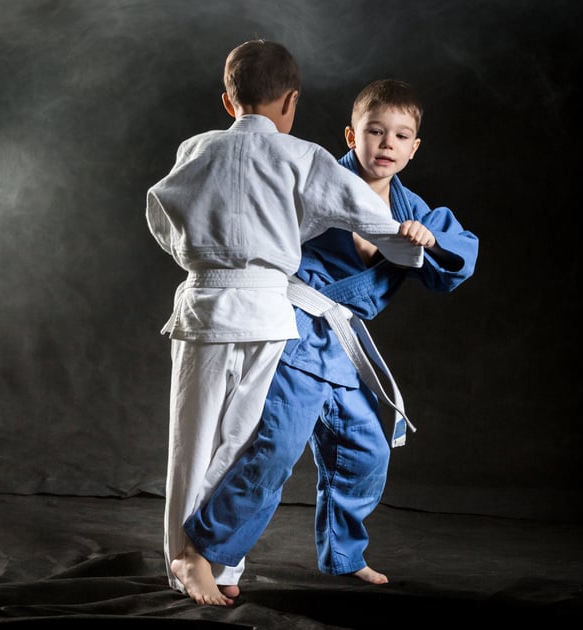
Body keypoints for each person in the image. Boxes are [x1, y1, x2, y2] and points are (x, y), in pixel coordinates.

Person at [176, 79, 480, 604]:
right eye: (375, 131)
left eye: (400, 135)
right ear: (351, 134)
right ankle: (198, 553)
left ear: (414, 147)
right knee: (272, 451)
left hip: (342, 346)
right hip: (295, 331)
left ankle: (344, 554)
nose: (387, 143)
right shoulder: (316, 177)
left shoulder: (415, 212)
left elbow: (458, 258)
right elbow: (261, 224)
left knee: (365, 450)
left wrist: (428, 240)